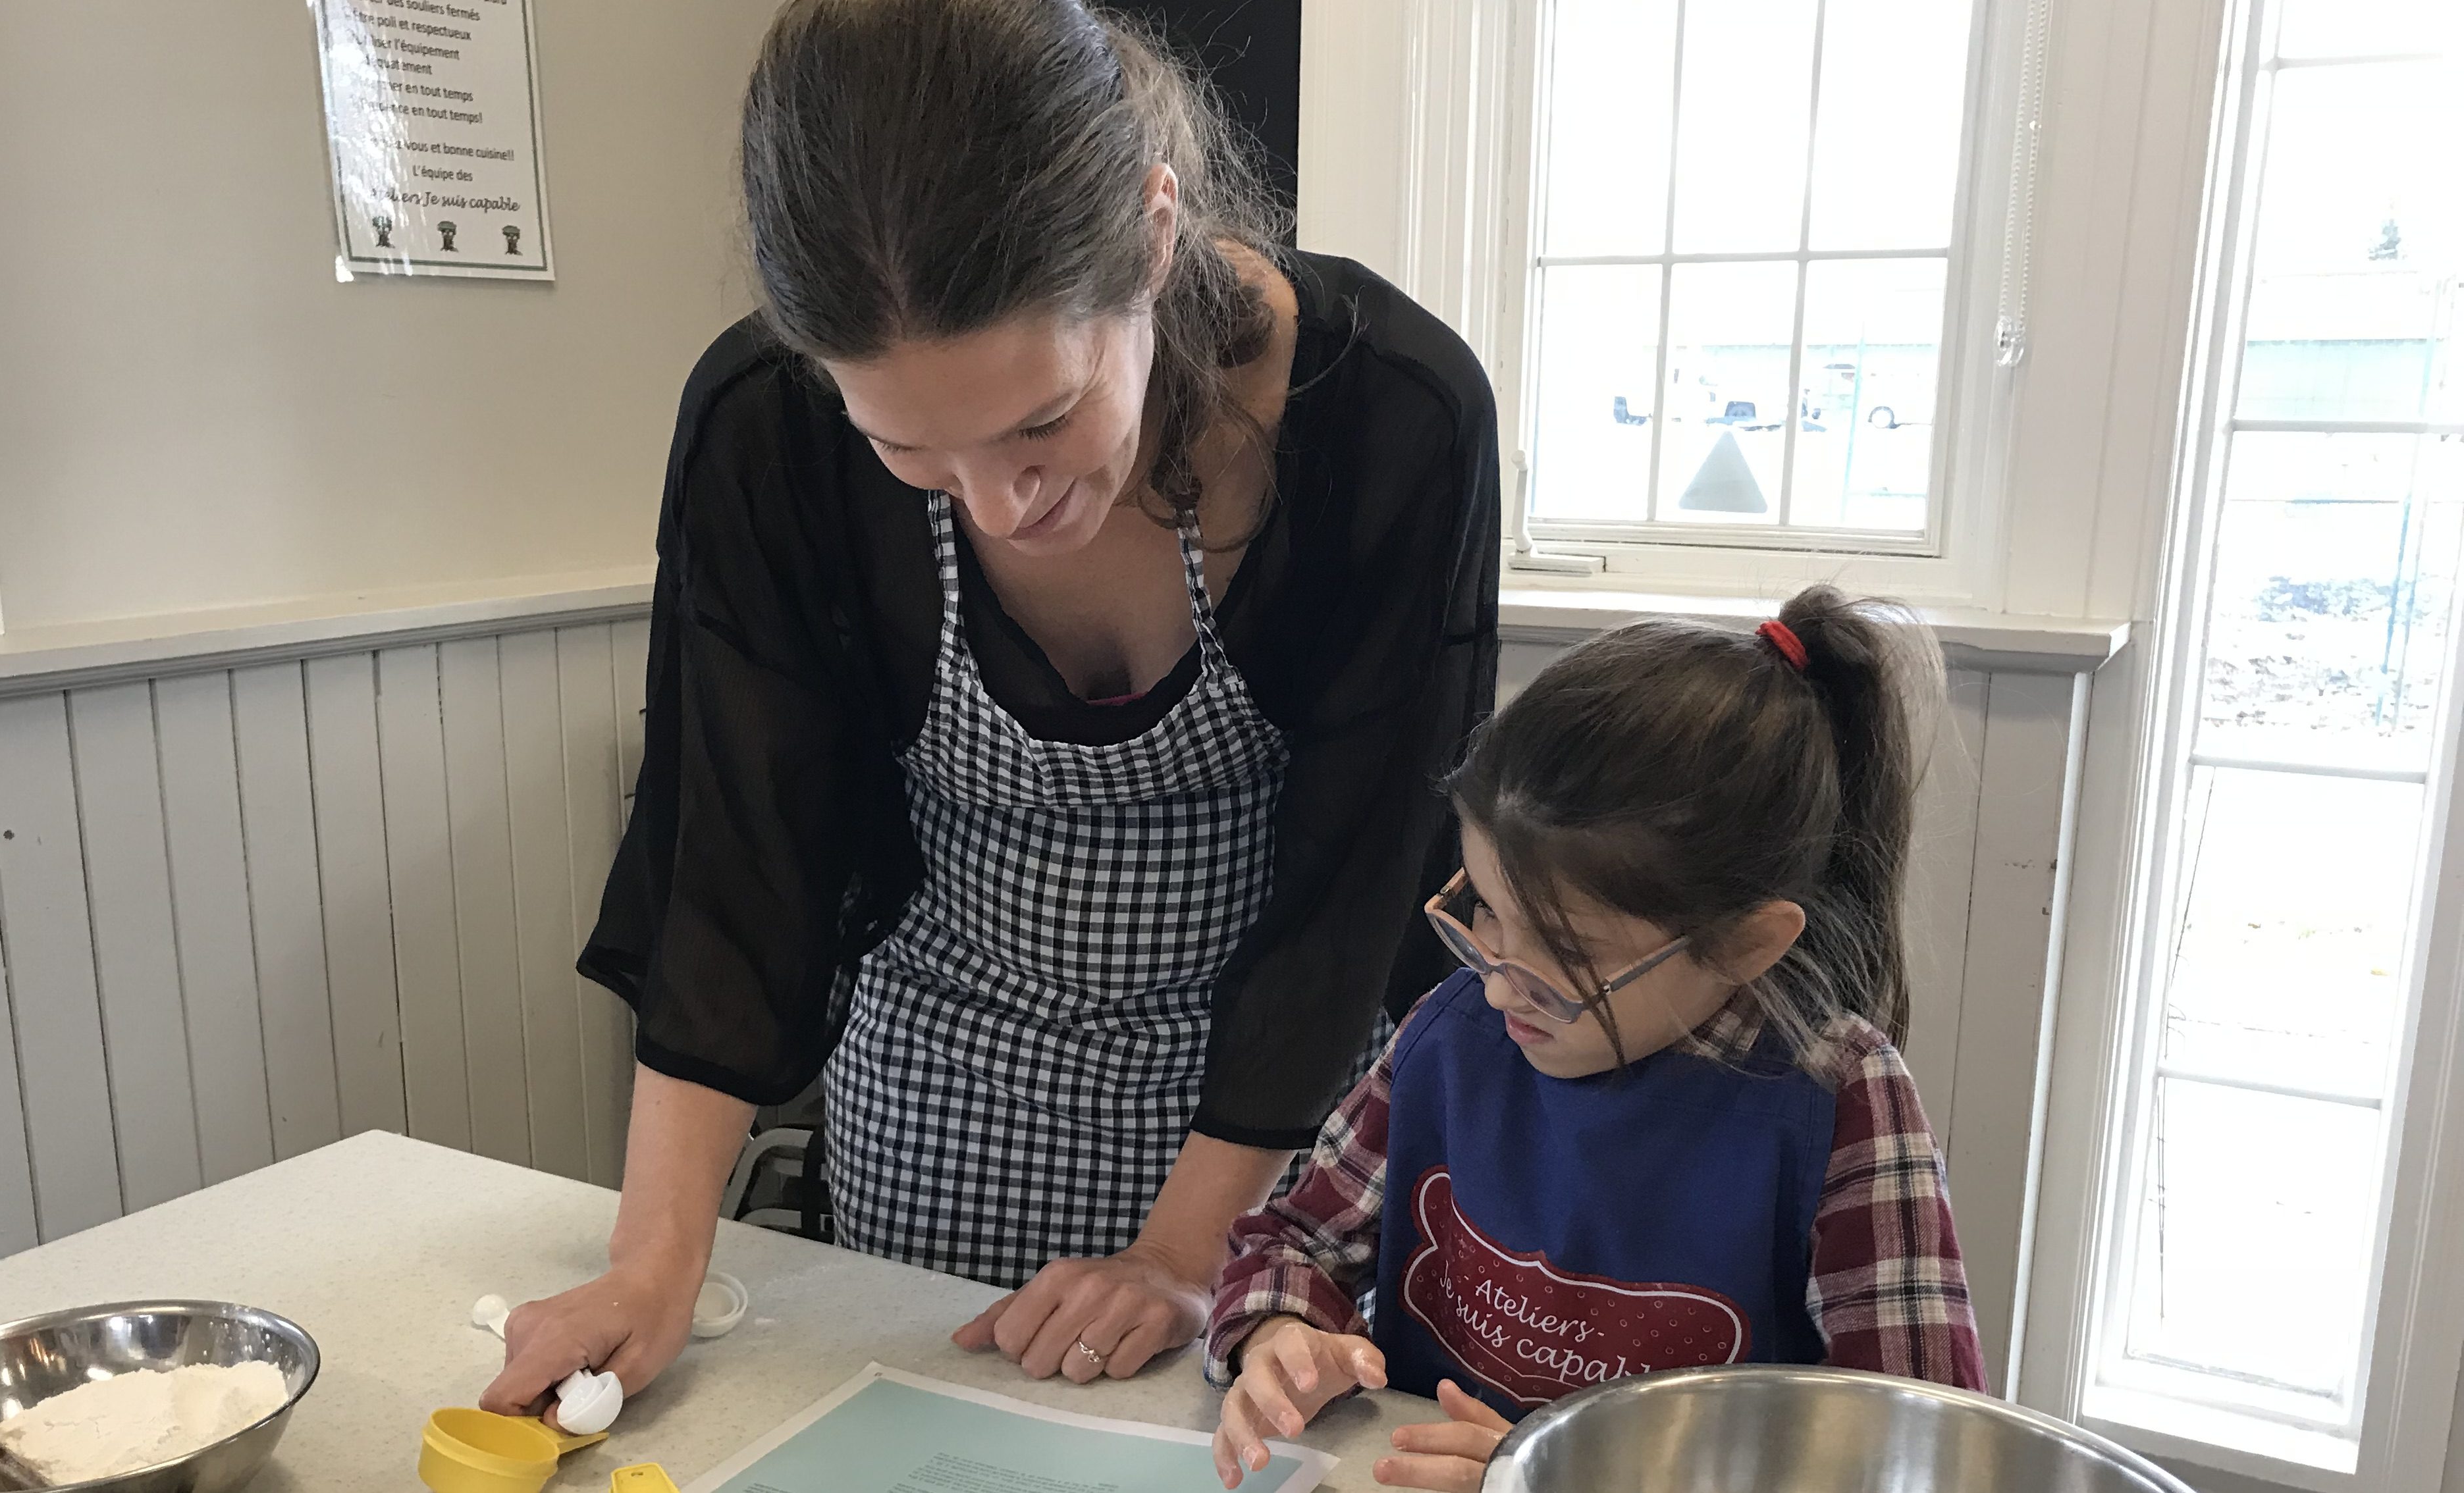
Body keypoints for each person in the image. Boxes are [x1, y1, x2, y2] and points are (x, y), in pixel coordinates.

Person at [481, 0, 1498, 1417]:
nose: (1006, 510)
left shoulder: (1393, 413)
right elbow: (733, 863)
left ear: (1152, 236)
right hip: (936, 1114)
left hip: (1276, 1168)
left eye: (1042, 420)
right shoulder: (766, 428)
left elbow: (1360, 892)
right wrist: (654, 1260)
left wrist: (1187, 1253)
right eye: (908, 448)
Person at [1205, 587, 1987, 1492]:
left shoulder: (1837, 1103)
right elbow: (1292, 1242)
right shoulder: (1457, 1035)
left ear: (1745, 944)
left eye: (1569, 955)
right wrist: (1282, 1339)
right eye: (1486, 913)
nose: (1498, 981)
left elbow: (1914, 1454)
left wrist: (1558, 1477)